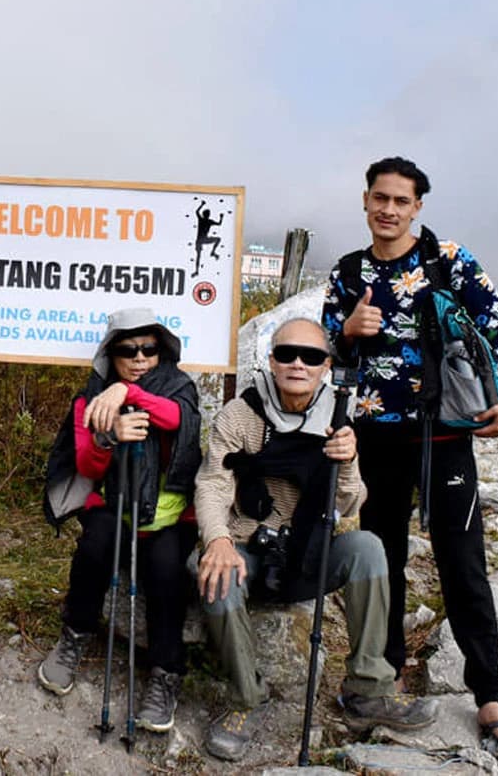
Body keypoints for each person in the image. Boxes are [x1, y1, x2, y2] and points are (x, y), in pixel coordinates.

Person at [323, 157, 498, 753]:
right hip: (374, 438)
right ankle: (383, 677)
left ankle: (488, 692)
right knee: (382, 559)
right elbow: (322, 362)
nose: (388, 210)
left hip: (445, 435)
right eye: (379, 198)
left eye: (401, 201)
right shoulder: (347, 273)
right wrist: (346, 330)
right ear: (365, 200)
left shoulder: (448, 260)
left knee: (462, 560)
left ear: (417, 207)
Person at [195, 318, 437, 762]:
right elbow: (214, 483)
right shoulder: (239, 415)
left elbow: (348, 503)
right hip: (249, 544)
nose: (298, 364)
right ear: (271, 360)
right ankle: (248, 697)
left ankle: (369, 688)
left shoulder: (339, 418)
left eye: (312, 356)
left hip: (309, 551)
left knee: (367, 548)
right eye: (286, 354)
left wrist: (348, 460)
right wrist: (218, 540)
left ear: (326, 365)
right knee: (213, 571)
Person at [39, 308, 201, 733]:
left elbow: (179, 420)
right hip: (116, 508)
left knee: (167, 570)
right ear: (111, 354)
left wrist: (126, 395)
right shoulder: (86, 399)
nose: (140, 358)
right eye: (128, 350)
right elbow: (88, 467)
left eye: (149, 348)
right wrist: (109, 436)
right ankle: (75, 635)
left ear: (162, 351)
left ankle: (165, 673)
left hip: (169, 518)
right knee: (94, 546)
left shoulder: (180, 388)